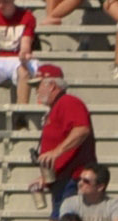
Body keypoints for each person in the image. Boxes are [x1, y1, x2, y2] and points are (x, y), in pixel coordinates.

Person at [29, 68, 91, 212]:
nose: (36, 91)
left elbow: (82, 129)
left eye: (38, 86)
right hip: (62, 179)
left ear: (51, 86)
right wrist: (45, 178)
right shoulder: (56, 107)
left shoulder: (68, 102)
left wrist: (55, 152)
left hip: (73, 178)